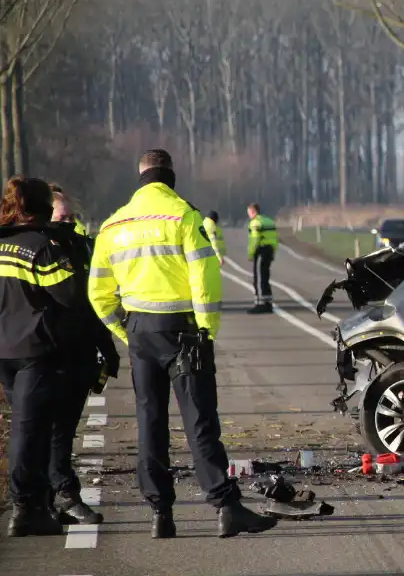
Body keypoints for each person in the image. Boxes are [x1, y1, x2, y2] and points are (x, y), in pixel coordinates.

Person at [88, 149, 277, 539]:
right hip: (185, 332)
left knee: (150, 422)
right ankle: (225, 505)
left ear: (140, 176)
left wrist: (124, 330)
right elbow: (205, 277)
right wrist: (206, 328)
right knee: (199, 421)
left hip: (140, 332)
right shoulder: (185, 218)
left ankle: (160, 513)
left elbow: (98, 292)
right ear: (170, 175)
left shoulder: (112, 226)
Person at [0, 176, 84, 537]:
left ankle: (35, 504)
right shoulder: (41, 248)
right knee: (29, 432)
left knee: (25, 427)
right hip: (35, 351)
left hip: (4, 351)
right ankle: (24, 509)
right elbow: (73, 296)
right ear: (42, 208)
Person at [44, 183, 120, 526]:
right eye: (64, 216)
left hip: (76, 351)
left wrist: (106, 347)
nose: (71, 223)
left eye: (73, 217)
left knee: (62, 429)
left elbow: (92, 303)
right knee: (53, 430)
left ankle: (47, 498)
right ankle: (62, 494)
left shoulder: (80, 247)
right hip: (46, 353)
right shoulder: (38, 250)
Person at [245, 202, 278, 314]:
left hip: (260, 251)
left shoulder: (255, 223)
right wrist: (273, 251)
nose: (248, 215)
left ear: (253, 211)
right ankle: (268, 303)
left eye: (249, 212)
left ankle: (260, 303)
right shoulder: (269, 221)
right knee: (265, 277)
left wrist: (250, 254)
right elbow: (275, 238)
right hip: (269, 251)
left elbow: (254, 239)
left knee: (258, 278)